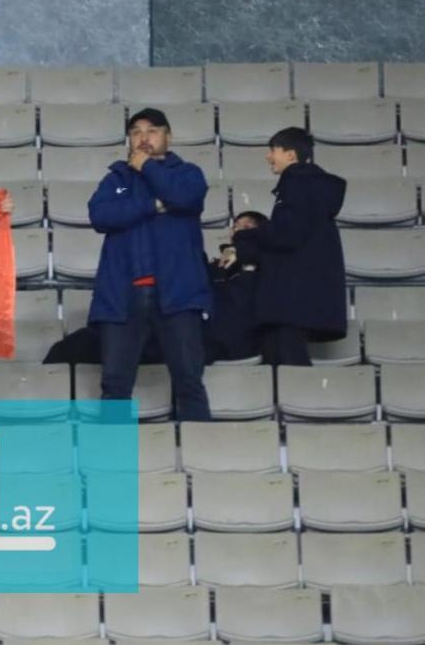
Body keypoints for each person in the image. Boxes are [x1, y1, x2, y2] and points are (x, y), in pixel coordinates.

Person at [87, 108, 212, 422]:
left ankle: (201, 448)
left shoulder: (188, 173)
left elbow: (184, 198)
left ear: (169, 136)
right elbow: (100, 216)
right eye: (136, 132)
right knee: (114, 384)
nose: (143, 138)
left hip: (179, 293)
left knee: (189, 381)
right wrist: (153, 205)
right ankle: (111, 451)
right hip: (121, 295)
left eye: (152, 131)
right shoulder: (115, 178)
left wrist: (146, 166)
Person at [233, 128, 348, 367]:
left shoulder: (297, 181)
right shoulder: (311, 185)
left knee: (290, 361)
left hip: (293, 295)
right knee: (284, 361)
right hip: (302, 292)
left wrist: (246, 235)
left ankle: (308, 394)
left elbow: (286, 234)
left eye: (273, 150)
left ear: (291, 155)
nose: (268, 156)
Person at [207, 211, 268, 363]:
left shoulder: (268, 263)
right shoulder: (216, 266)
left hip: (252, 341)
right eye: (235, 227)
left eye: (247, 227)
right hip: (215, 341)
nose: (238, 231)